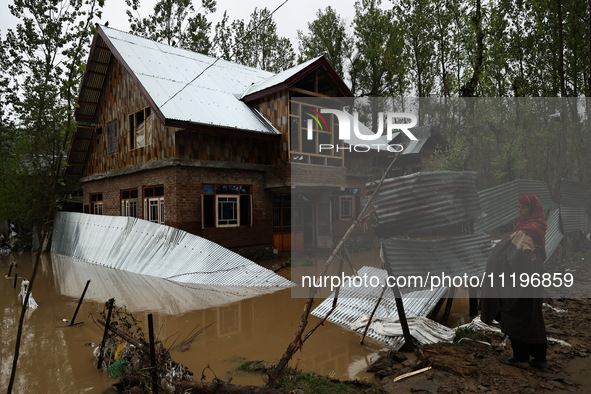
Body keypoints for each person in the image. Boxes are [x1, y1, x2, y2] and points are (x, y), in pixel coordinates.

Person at [481, 194, 548, 369]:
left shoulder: (526, 231)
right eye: (518, 207)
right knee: (533, 315)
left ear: (532, 209)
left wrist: (495, 263)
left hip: (521, 282)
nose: (520, 211)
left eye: (523, 208)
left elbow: (512, 257)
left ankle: (520, 357)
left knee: (514, 313)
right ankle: (540, 358)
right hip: (532, 281)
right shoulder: (536, 227)